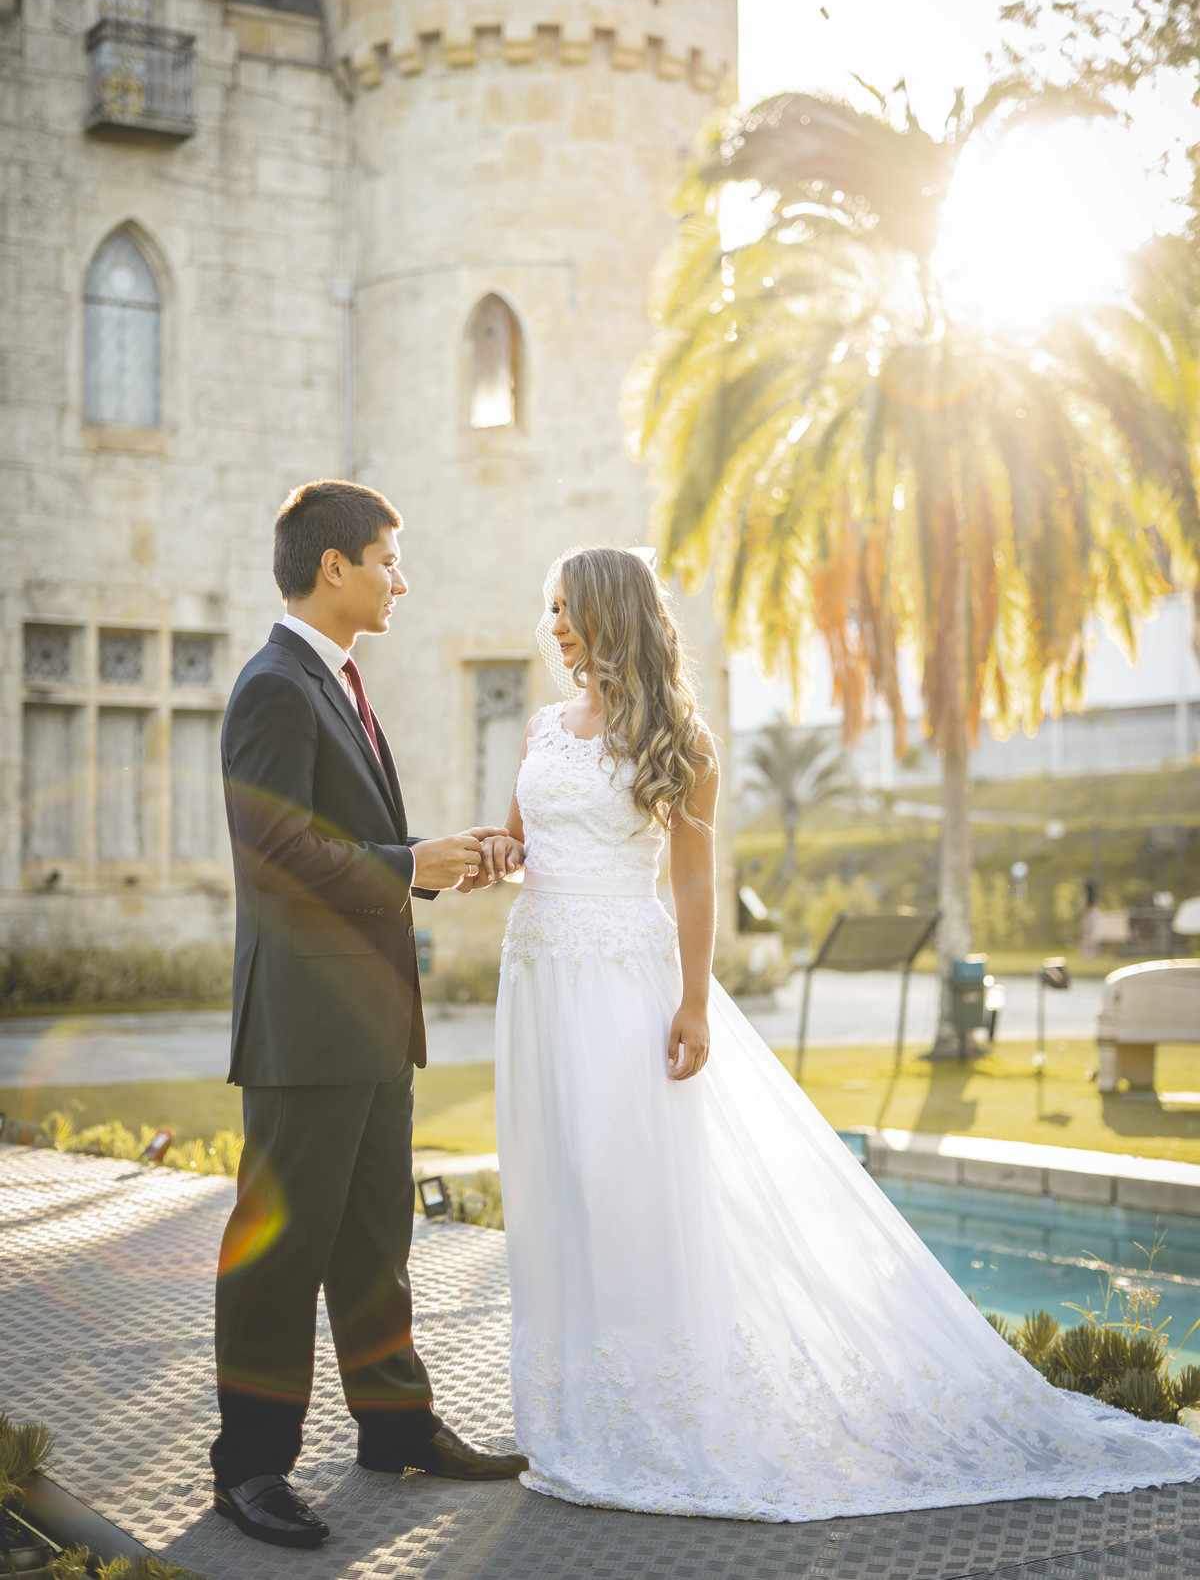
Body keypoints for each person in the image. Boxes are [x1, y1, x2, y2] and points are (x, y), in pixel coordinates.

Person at [491, 545, 1200, 1521]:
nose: (556, 623)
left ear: (612, 613)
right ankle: (576, 1408)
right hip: (536, 976)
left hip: (624, 980)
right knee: (555, 1180)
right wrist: (484, 855)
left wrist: (695, 1001)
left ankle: (657, 1405)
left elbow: (695, 882)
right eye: (551, 605)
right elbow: (522, 847)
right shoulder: (538, 727)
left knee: (625, 1182)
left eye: (568, 606)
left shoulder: (679, 738)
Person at [211, 480, 527, 1552]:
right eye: (391, 557)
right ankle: (248, 1468)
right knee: (278, 1249)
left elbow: (341, 842)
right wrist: (407, 863)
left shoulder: (338, 681)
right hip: (304, 1027)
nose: (404, 575)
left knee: (373, 1237)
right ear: (335, 565)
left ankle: (394, 1425)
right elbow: (273, 853)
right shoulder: (275, 684)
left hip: (369, 1019)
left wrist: (432, 862)